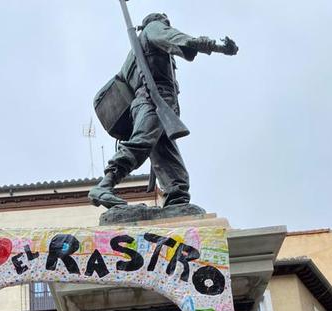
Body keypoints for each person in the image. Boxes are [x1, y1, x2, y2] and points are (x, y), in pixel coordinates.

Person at [89, 12, 237, 211]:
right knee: (142, 142)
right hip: (155, 98)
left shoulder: (133, 52)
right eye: (165, 23)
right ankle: (105, 185)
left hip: (144, 102)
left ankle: (176, 200)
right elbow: (176, 39)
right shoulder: (153, 29)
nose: (166, 25)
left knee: (167, 158)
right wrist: (216, 46)